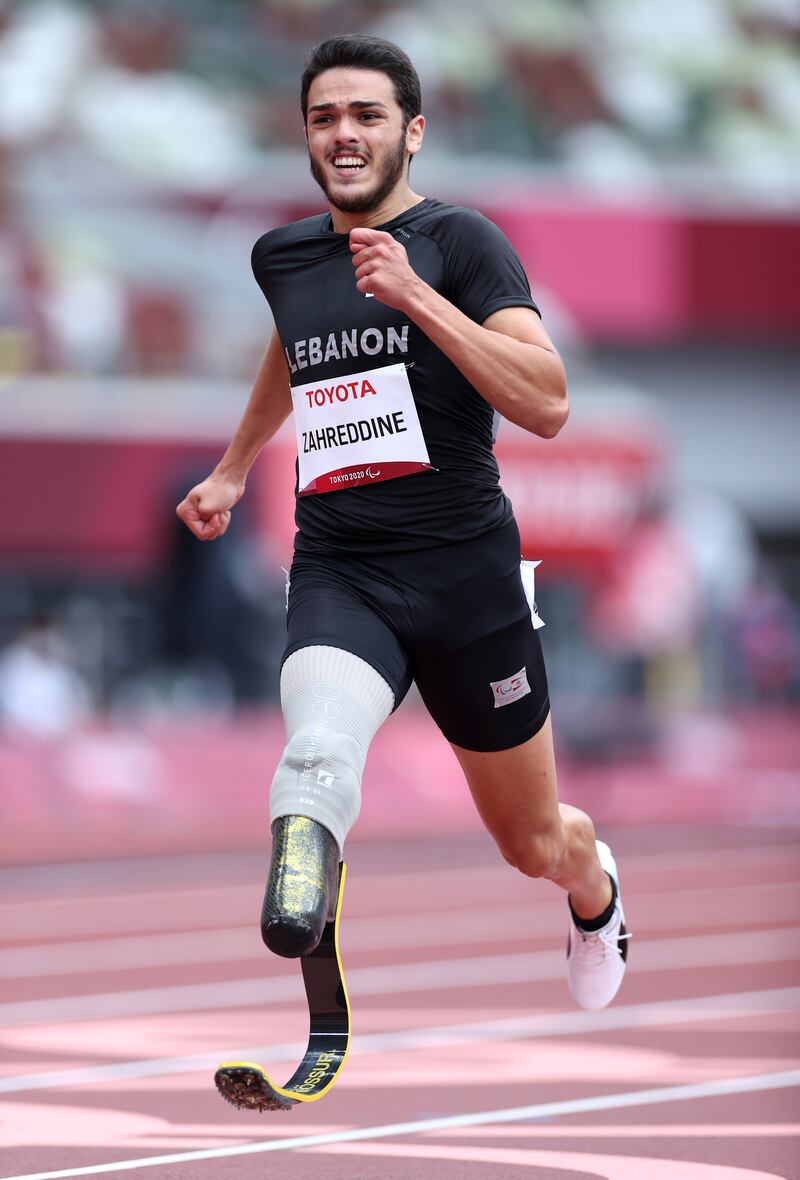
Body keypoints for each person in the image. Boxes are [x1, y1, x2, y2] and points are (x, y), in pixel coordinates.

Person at [177, 33, 628, 1012]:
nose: (343, 133)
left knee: (530, 844)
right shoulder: (284, 256)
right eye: (324, 116)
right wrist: (232, 467)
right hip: (343, 566)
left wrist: (416, 296)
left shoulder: (463, 244)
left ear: (410, 134)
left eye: (365, 115)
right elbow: (290, 352)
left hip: (466, 580)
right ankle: (302, 871)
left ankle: (590, 879)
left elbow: (547, 403)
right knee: (315, 749)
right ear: (304, 136)